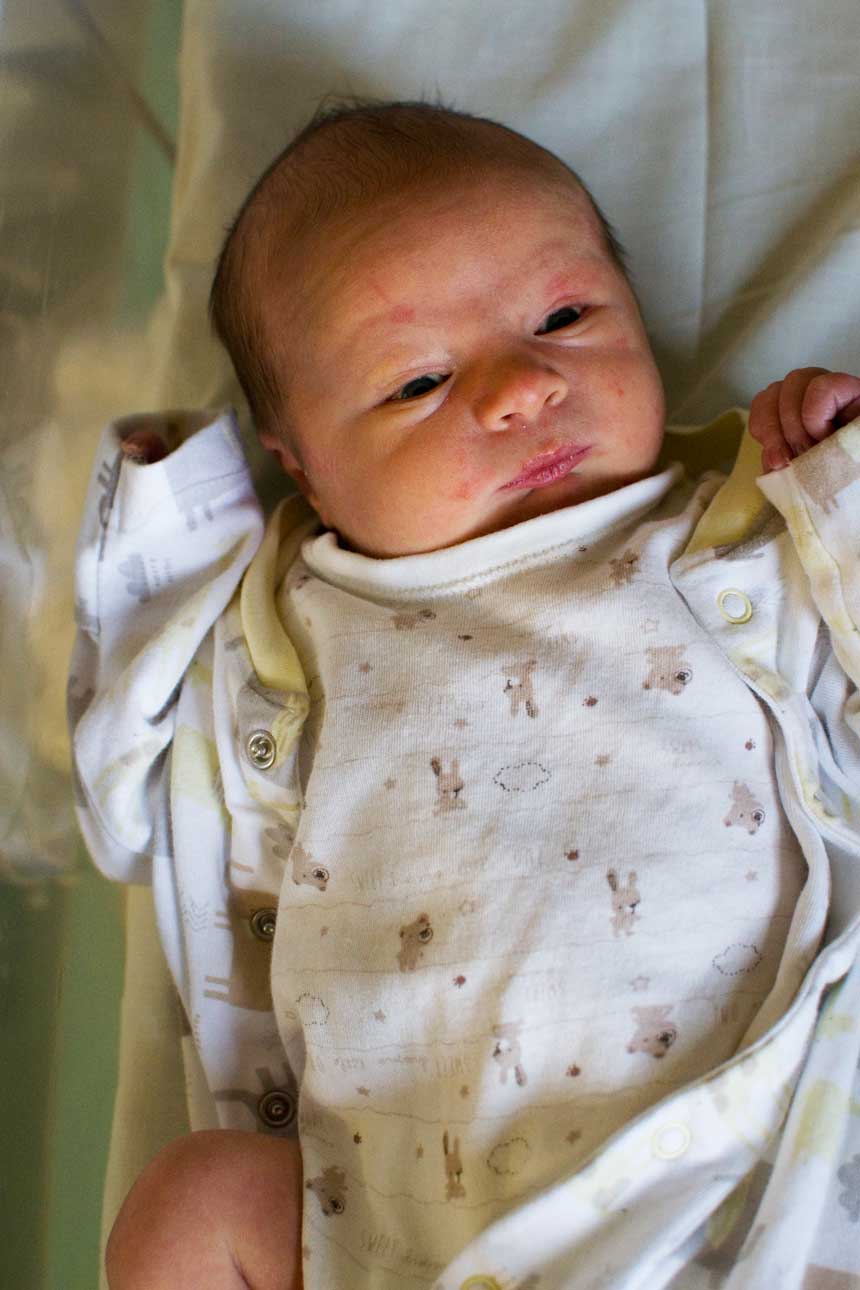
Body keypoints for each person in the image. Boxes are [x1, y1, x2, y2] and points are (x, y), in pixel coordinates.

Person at [72, 98, 860, 1290]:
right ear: (306, 468)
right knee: (194, 1203)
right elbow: (131, 796)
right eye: (417, 382)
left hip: (746, 1176)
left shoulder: (734, 535)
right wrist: (162, 522)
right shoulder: (289, 626)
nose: (517, 388)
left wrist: (839, 486)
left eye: (563, 317)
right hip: (394, 1234)